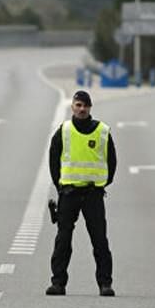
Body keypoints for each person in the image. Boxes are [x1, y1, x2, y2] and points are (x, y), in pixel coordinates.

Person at [47, 90, 117, 297]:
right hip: (69, 193)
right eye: (78, 105)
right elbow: (53, 160)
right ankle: (58, 283)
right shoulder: (64, 131)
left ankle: (105, 284)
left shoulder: (102, 131)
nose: (82, 108)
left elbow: (112, 161)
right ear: (73, 107)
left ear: (90, 108)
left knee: (100, 241)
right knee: (63, 240)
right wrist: (60, 186)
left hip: (93, 194)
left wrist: (103, 183)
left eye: (85, 105)